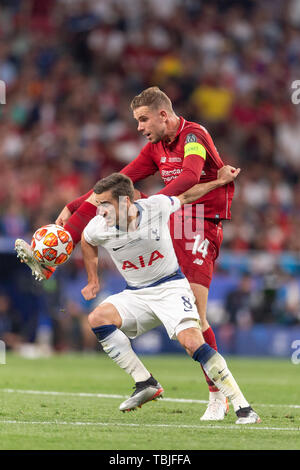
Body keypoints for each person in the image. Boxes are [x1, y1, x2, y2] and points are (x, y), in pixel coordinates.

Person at [16, 86, 236, 421]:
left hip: (199, 221)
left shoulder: (194, 135)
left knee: (197, 313)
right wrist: (74, 205)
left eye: (143, 119)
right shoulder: (155, 148)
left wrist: (150, 207)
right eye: (137, 120)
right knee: (110, 206)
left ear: (164, 114)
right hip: (172, 215)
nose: (139, 127)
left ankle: (218, 395)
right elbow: (118, 182)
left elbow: (191, 175)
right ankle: (53, 256)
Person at [79, 171, 260, 424]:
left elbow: (186, 195)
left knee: (192, 343)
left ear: (126, 202)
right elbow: (86, 241)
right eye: (99, 205)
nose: (101, 211)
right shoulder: (98, 227)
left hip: (170, 288)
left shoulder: (156, 207)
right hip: (136, 294)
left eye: (106, 204)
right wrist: (93, 279)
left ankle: (244, 407)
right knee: (98, 318)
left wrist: (218, 182)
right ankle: (145, 382)